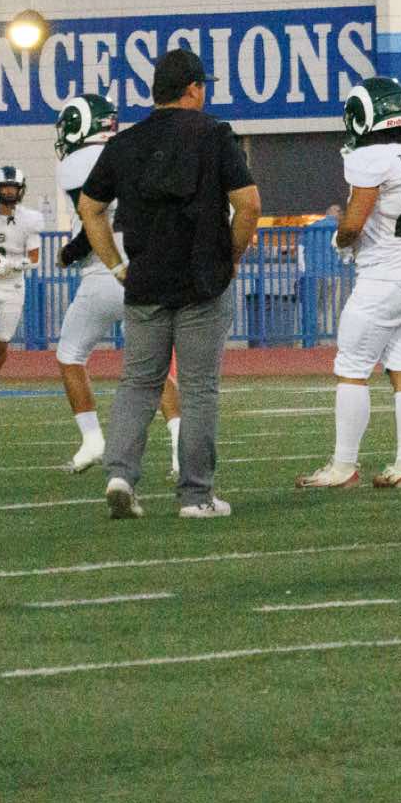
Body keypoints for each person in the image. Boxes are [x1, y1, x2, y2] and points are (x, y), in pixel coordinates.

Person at [78, 48, 261, 520]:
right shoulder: (215, 134)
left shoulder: (124, 144)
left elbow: (89, 209)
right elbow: (249, 205)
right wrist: (231, 256)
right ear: (194, 88)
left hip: (145, 279)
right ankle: (196, 496)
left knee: (138, 383)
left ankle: (120, 475)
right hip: (202, 280)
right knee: (198, 389)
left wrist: (116, 266)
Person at [297, 77, 401, 490]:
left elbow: (354, 223)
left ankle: (343, 466)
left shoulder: (369, 158)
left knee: (352, 368)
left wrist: (341, 240)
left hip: (381, 277)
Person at [51, 95, 181, 475]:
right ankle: (180, 447)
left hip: (106, 272)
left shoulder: (76, 163)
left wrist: (69, 253)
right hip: (149, 266)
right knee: (153, 368)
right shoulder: (133, 149)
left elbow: (95, 219)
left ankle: (93, 439)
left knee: (70, 354)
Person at [0, 165, 43, 403]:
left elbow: (35, 259)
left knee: (2, 342)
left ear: (21, 190)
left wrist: (8, 265)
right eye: (4, 187)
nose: (9, 192)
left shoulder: (30, 219)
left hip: (13, 287)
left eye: (13, 187)